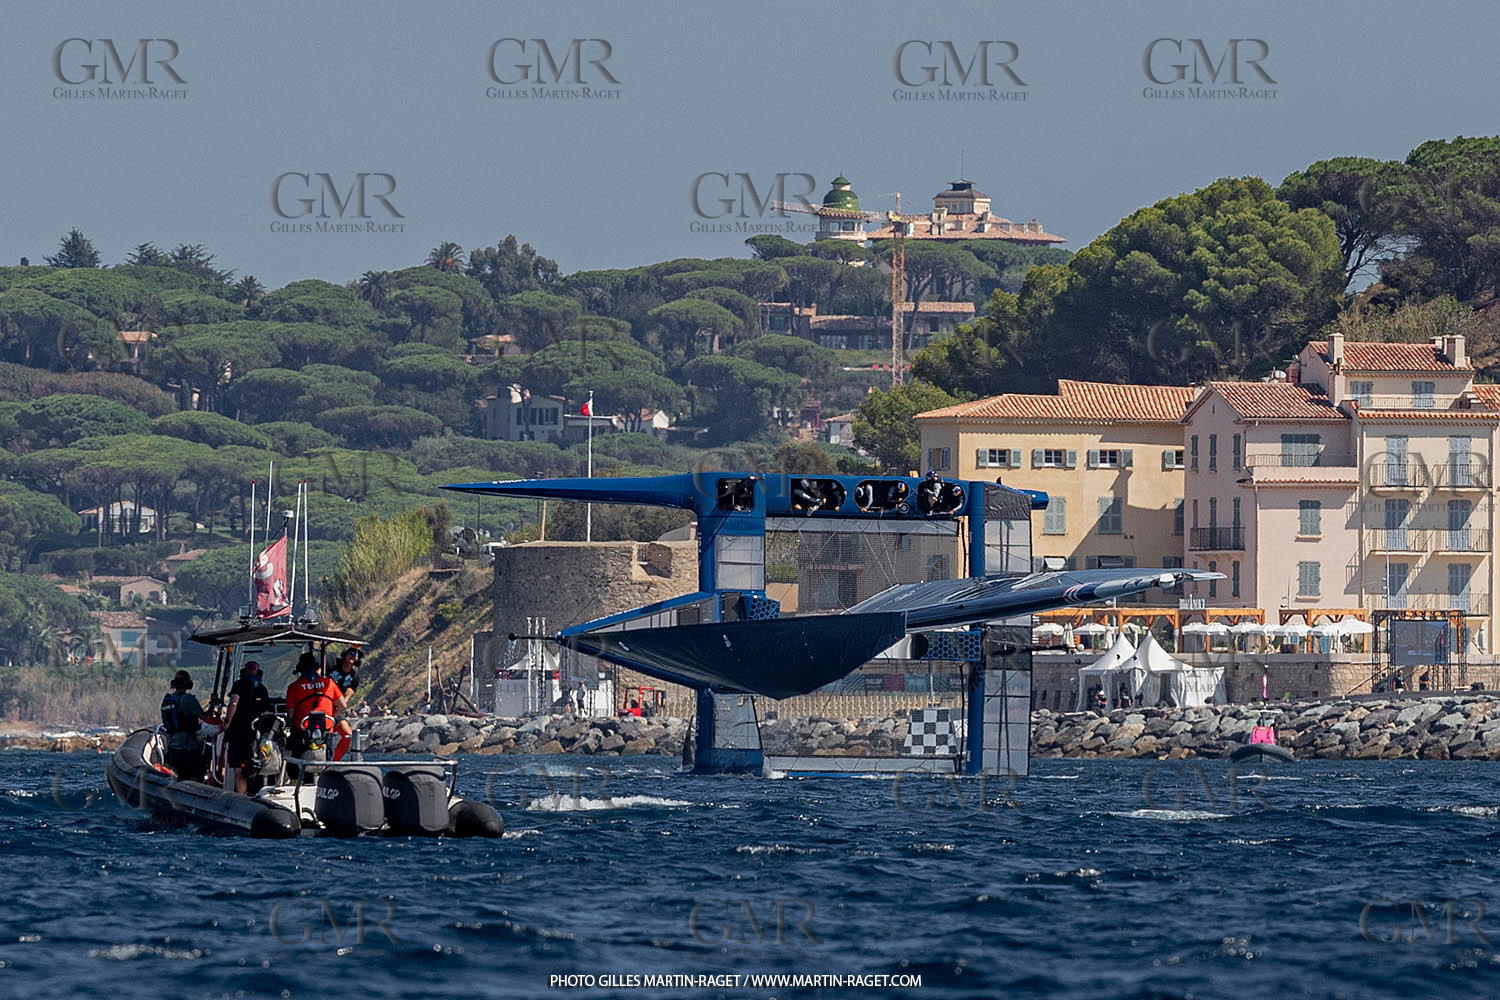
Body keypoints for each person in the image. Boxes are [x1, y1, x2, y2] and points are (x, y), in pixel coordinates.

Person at [286, 652, 350, 760]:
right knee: (326, 760)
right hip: (326, 729)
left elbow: (291, 714)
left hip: (303, 731)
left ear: (300, 669)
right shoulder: (329, 683)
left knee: (295, 750)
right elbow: (343, 705)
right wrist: (333, 716)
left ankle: (295, 773)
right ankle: (327, 770)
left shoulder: (294, 687)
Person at [222, 661, 273, 793]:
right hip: (256, 735)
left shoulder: (239, 685)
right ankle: (256, 793)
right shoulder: (262, 689)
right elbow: (268, 712)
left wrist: (227, 722)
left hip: (238, 733)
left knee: (239, 769)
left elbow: (233, 703)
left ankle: (240, 797)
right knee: (257, 766)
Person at [160, 670, 205, 782]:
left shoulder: (168, 699)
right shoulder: (188, 699)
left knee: (177, 778)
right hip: (189, 748)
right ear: (187, 683)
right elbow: (204, 716)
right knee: (194, 779)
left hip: (172, 747)